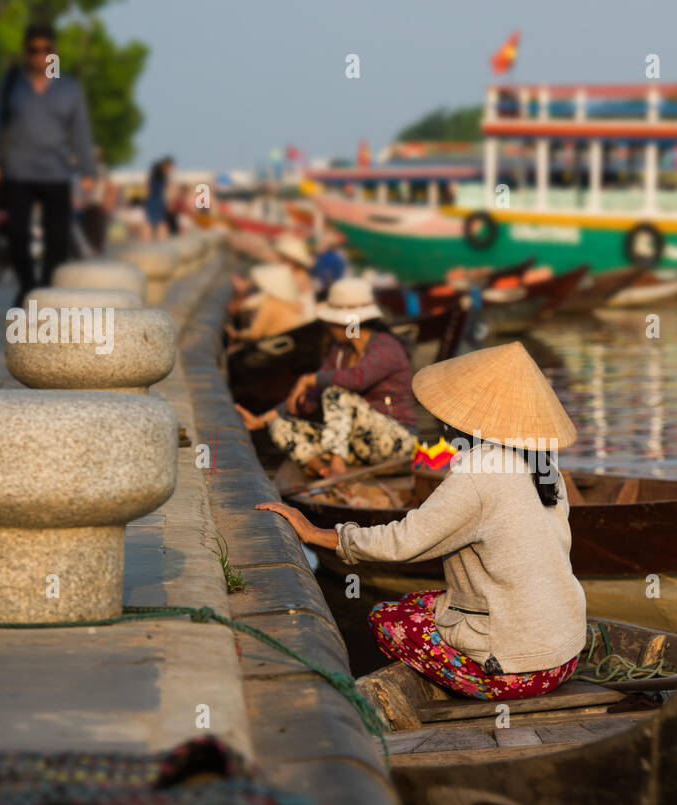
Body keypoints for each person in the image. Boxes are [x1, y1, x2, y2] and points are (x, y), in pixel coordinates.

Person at [256, 341, 587, 702]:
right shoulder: (544, 467)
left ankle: (463, 687)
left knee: (387, 618)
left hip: (516, 670)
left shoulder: (480, 473)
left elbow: (407, 541)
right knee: (422, 602)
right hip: (566, 654)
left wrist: (320, 535)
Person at [235, 277, 416, 479]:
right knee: (280, 426)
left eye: (332, 322)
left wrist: (308, 379)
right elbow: (309, 398)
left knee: (336, 392)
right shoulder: (340, 352)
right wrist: (262, 420)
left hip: (398, 443)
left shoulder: (387, 347)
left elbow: (356, 379)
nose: (329, 327)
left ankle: (337, 465)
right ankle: (323, 470)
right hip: (354, 446)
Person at [0, 24, 97, 306]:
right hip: (18, 171)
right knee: (17, 234)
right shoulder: (11, 84)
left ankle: (45, 291)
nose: (40, 56)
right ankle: (27, 286)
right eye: (34, 50)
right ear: (26, 53)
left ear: (54, 52)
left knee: (57, 239)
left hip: (56, 172)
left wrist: (87, 170)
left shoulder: (68, 88)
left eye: (46, 50)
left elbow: (81, 131)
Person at [78, 145, 115, 253]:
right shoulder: (102, 169)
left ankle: (94, 252)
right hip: (96, 202)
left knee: (92, 230)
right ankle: (97, 251)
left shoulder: (95, 169)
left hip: (93, 202)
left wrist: (82, 199)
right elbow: (110, 187)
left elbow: (88, 186)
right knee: (97, 231)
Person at [145, 157, 173, 240]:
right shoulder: (163, 177)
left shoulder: (153, 176)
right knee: (161, 222)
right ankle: (162, 242)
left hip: (151, 200)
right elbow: (168, 192)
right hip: (158, 201)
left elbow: (147, 189)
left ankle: (147, 241)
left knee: (149, 222)